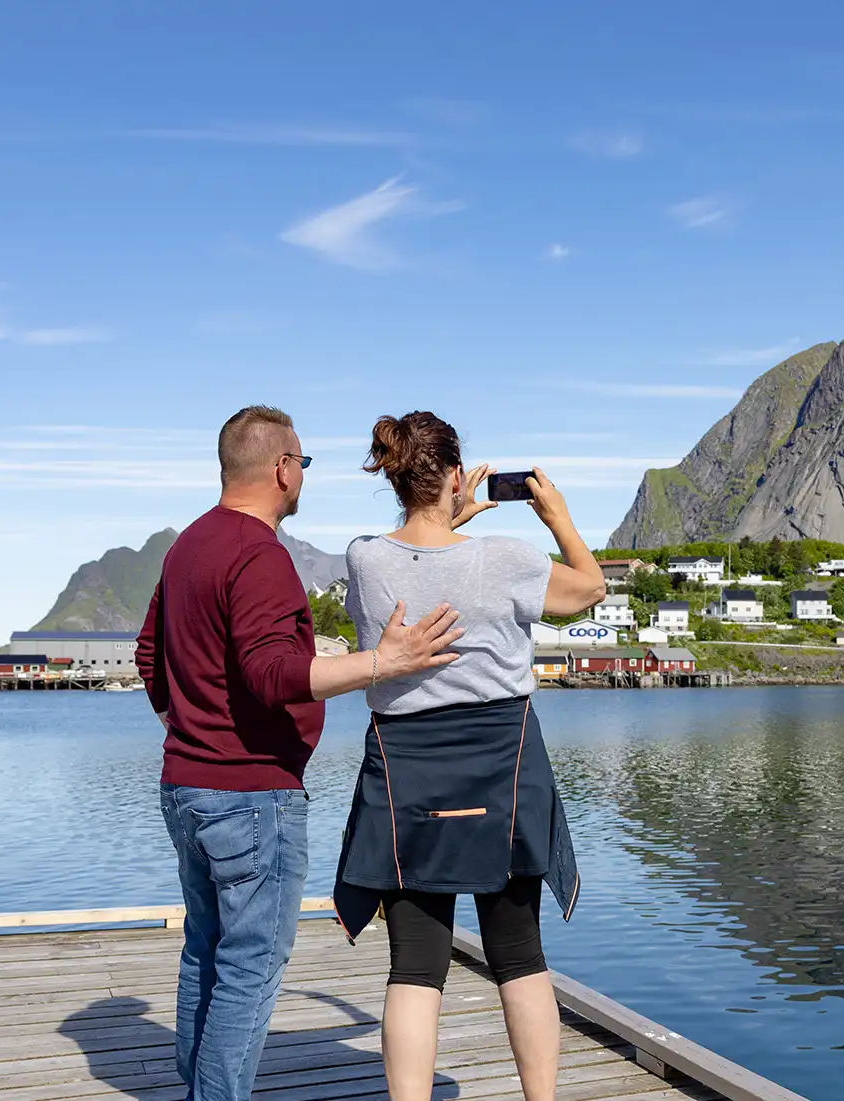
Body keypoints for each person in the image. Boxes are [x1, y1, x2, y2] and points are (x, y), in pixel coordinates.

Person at [135, 405, 467, 1101]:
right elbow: (272, 674)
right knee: (251, 964)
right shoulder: (260, 555)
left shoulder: (187, 546)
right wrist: (384, 660)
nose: (303, 475)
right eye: (305, 463)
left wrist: (190, 723)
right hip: (250, 797)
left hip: (186, 785)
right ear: (284, 468)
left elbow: (149, 653)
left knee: (207, 948)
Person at [331, 411, 604, 1101]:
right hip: (502, 769)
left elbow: (427, 564)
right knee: (519, 956)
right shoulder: (506, 558)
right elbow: (589, 588)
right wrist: (558, 516)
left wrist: (452, 523)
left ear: (395, 477)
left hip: (408, 774)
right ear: (456, 475)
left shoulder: (364, 557)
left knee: (416, 967)